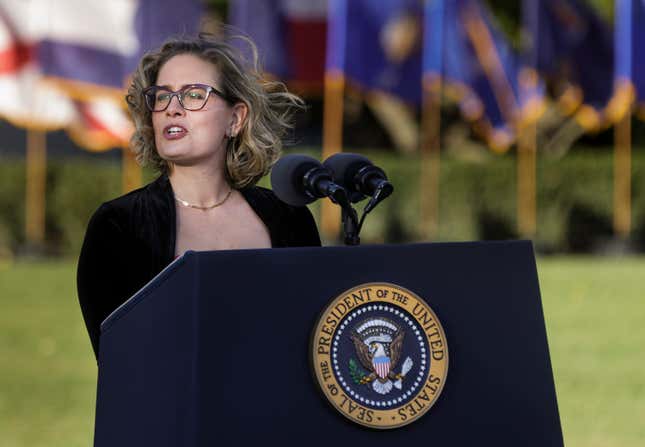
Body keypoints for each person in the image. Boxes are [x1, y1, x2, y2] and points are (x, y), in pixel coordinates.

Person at [77, 34, 321, 359]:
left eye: (193, 95)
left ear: (235, 119)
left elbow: (314, 339)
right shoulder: (119, 225)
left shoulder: (288, 217)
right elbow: (121, 364)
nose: (172, 109)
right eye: (161, 97)